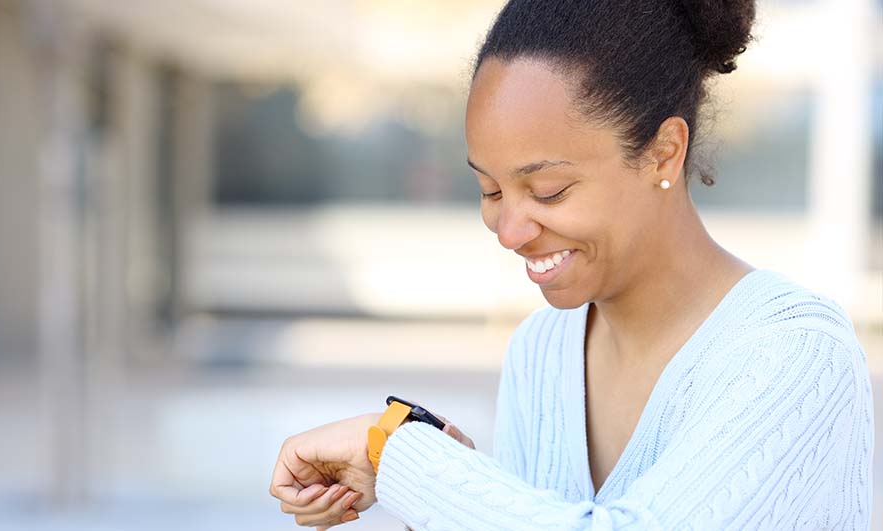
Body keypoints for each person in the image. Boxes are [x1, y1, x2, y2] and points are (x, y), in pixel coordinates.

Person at [269, 0, 874, 529]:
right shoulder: (543, 348)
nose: (510, 231)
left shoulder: (794, 352)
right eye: (490, 190)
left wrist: (400, 455)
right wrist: (440, 484)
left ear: (664, 153)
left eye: (550, 190)